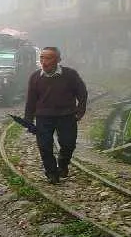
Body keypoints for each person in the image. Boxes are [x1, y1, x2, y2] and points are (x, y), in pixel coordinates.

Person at [23, 46, 87, 184]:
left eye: (48, 58)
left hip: (67, 115)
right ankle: (52, 173)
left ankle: (63, 164)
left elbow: (82, 92)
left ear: (58, 60)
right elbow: (31, 100)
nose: (44, 62)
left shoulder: (70, 75)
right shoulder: (35, 77)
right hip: (43, 117)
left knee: (68, 144)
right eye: (42, 58)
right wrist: (28, 120)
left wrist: (80, 110)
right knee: (44, 146)